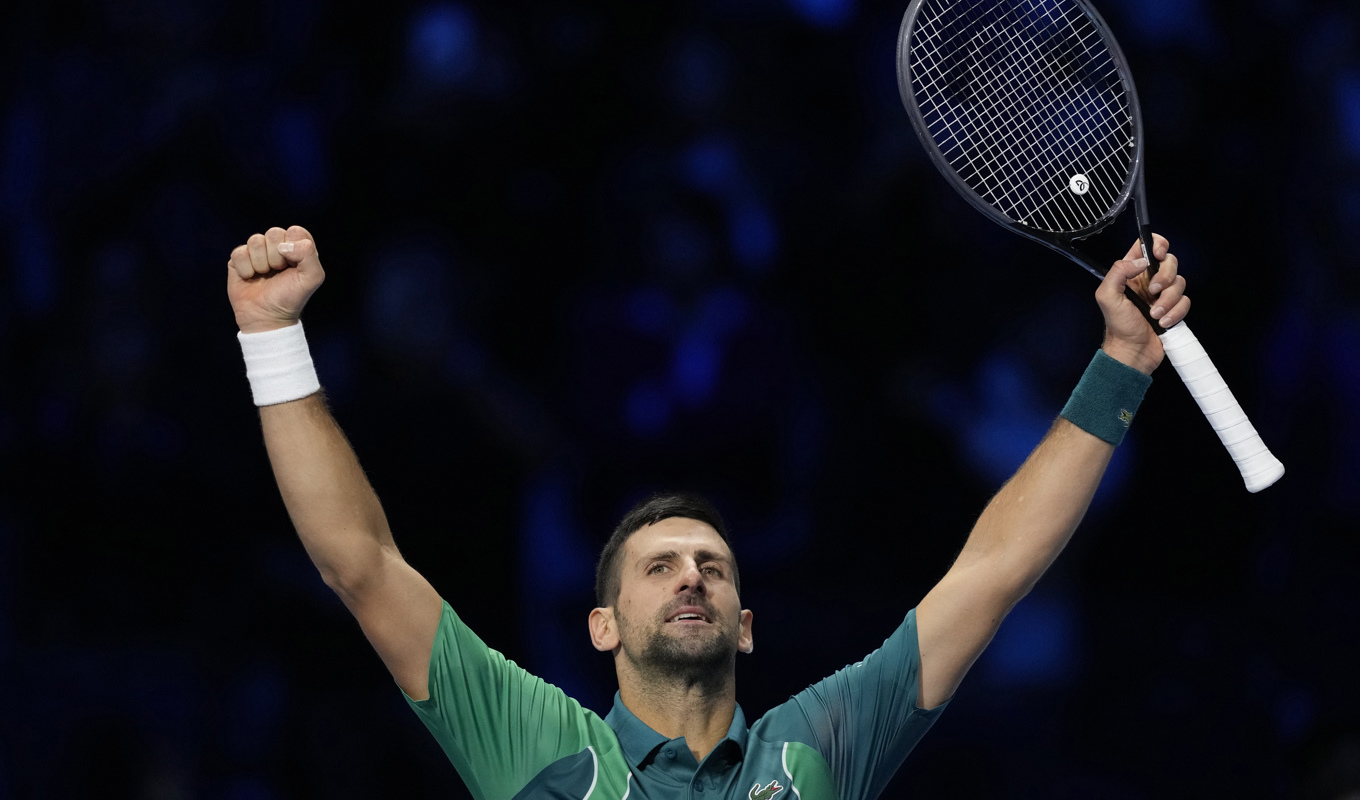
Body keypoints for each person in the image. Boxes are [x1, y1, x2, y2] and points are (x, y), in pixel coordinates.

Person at [226, 224, 1190, 799]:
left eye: (714, 566)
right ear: (599, 626)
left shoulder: (817, 746)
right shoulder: (539, 746)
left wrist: (1121, 364)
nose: (693, 574)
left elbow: (995, 570)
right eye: (659, 566)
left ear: (747, 624)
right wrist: (272, 338)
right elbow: (359, 560)